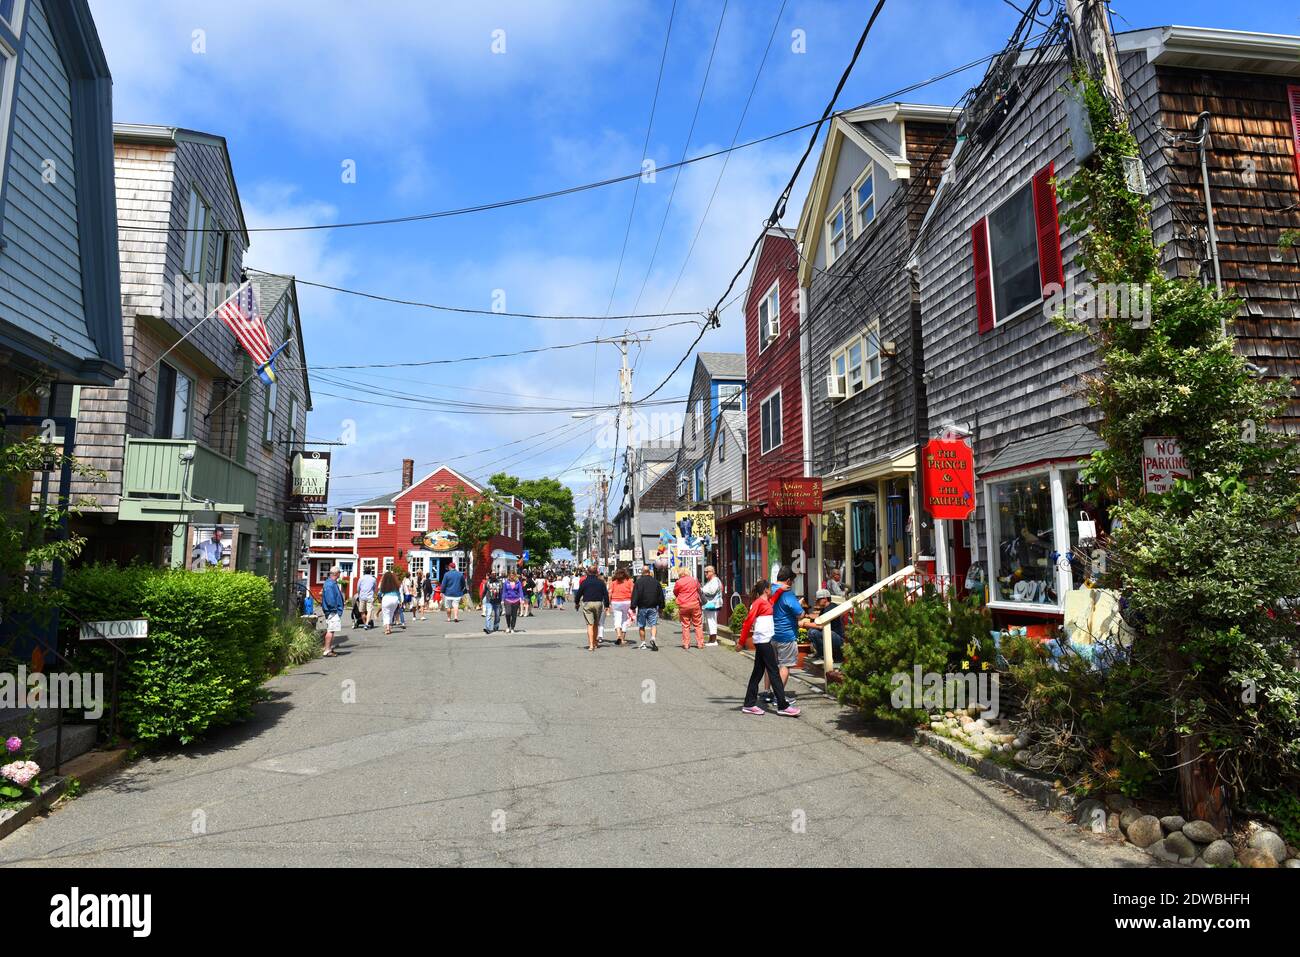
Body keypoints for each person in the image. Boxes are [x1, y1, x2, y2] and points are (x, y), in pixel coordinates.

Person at [740, 579, 798, 717]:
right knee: (773, 672)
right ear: (766, 590)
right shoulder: (758, 603)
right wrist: (741, 642)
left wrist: (780, 590)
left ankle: (749, 704)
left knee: (758, 673)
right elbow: (748, 622)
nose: (772, 590)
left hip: (765, 640)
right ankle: (782, 706)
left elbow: (774, 599)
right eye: (770, 589)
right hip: (763, 641)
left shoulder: (767, 602)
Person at [765, 565, 804, 705]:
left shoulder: (769, 590)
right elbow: (799, 613)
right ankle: (779, 697)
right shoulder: (787, 593)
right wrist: (801, 606)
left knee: (771, 665)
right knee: (785, 666)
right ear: (788, 580)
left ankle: (767, 693)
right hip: (785, 634)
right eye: (792, 581)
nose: (792, 584)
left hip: (769, 633)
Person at [800, 589, 845, 665]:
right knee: (812, 631)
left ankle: (825, 656)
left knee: (814, 632)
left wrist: (804, 624)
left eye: (818, 600)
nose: (816, 602)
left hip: (838, 639)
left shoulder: (831, 608)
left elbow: (821, 625)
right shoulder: (824, 609)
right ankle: (821, 654)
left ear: (825, 599)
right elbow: (818, 622)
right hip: (833, 637)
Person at [574, 564, 609, 652]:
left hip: (587, 604)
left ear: (587, 572)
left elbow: (579, 594)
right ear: (597, 572)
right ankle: (595, 642)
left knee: (590, 624)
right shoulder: (601, 582)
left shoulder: (584, 582)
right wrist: (607, 605)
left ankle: (590, 645)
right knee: (596, 624)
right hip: (598, 603)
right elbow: (606, 594)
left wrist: (577, 603)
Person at [630, 564, 664, 651]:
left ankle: (643, 643)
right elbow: (660, 596)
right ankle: (653, 638)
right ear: (649, 572)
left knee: (641, 625)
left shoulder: (638, 582)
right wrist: (661, 607)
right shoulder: (656, 582)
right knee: (653, 624)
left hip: (642, 607)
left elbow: (635, 595)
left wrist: (633, 606)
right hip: (653, 607)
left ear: (642, 572)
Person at [673, 567, 704, 650]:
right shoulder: (694, 580)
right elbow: (699, 590)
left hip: (683, 605)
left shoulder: (678, 582)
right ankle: (700, 643)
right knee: (698, 624)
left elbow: (675, 592)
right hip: (695, 604)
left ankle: (686, 644)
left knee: (685, 625)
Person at [320, 566, 344, 658]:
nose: (340, 574)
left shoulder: (330, 583)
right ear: (336, 573)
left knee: (331, 629)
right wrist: (335, 610)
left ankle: (328, 648)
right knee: (331, 630)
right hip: (332, 611)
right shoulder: (330, 584)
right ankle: (327, 650)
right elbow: (330, 600)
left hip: (331, 611)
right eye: (339, 573)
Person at [608, 567, 634, 646]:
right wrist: (633, 602)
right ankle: (623, 639)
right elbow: (633, 592)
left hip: (615, 602)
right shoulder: (629, 581)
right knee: (624, 619)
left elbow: (610, 593)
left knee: (617, 619)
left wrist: (608, 603)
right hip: (627, 601)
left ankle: (619, 635)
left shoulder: (613, 582)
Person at [700, 565, 723, 647]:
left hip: (713, 604)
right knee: (709, 622)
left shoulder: (715, 580)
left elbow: (711, 591)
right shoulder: (710, 581)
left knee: (712, 621)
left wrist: (702, 590)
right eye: (705, 571)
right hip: (709, 604)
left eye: (707, 571)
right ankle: (711, 639)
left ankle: (714, 640)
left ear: (713, 572)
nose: (705, 573)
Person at [379, 570, 402, 636]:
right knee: (391, 613)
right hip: (395, 599)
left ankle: (387, 628)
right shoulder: (395, 584)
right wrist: (400, 601)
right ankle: (389, 626)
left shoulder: (384, 584)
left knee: (386, 613)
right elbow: (398, 593)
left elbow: (380, 593)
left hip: (386, 598)